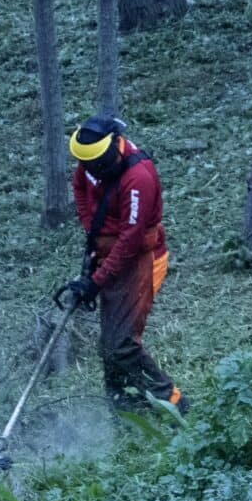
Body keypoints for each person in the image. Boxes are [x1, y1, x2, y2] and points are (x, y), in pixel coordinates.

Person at [56, 114, 186, 414]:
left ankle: (174, 403)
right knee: (110, 345)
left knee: (122, 344)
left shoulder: (138, 177)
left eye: (97, 163)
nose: (91, 170)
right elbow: (79, 187)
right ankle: (123, 405)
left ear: (115, 145)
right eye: (87, 163)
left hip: (140, 260)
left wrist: (95, 282)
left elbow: (130, 240)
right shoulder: (91, 163)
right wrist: (95, 234)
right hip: (110, 256)